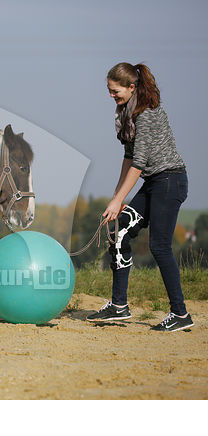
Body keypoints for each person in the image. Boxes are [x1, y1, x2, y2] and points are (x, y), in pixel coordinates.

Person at [86, 62, 194, 332]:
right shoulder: (126, 113)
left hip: (170, 182)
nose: (111, 95)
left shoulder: (146, 115)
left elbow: (139, 164)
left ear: (131, 87)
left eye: (115, 90)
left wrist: (117, 198)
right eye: (109, 90)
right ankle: (119, 306)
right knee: (120, 227)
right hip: (155, 182)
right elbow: (129, 157)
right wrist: (116, 198)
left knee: (160, 247)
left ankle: (180, 314)